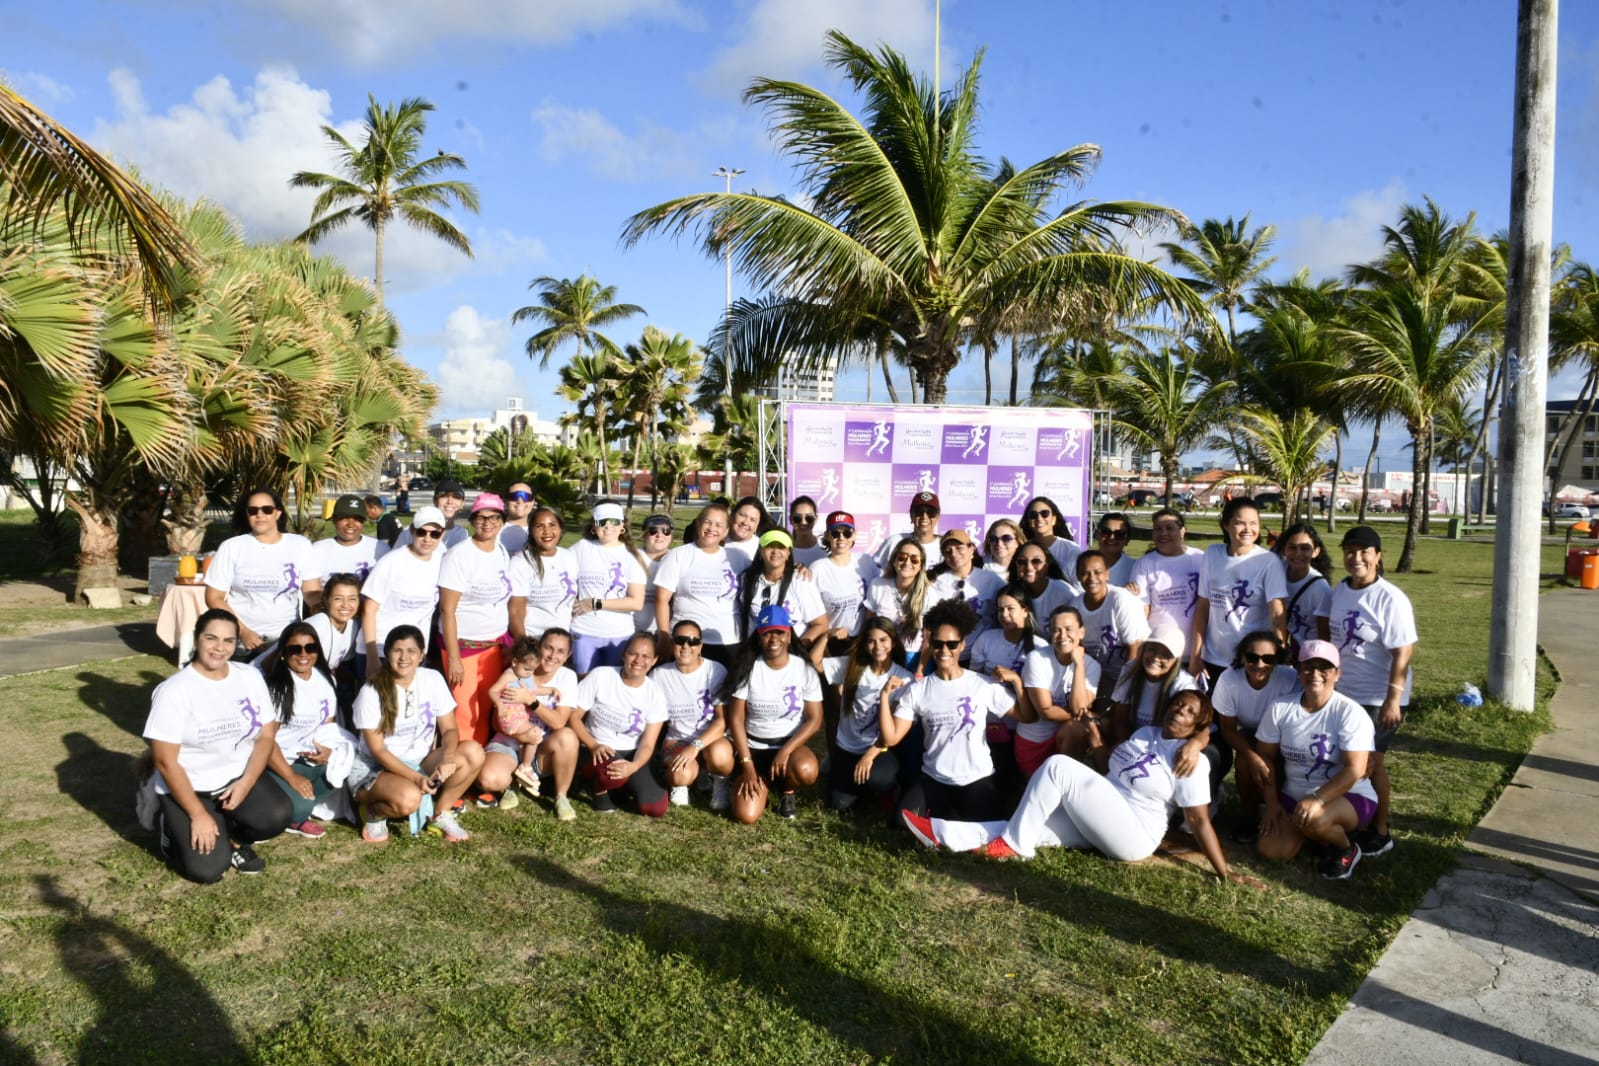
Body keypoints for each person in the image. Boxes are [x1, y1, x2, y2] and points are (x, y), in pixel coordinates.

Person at [902, 691, 1264, 889]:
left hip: (1134, 832)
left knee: (1058, 767)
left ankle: (1013, 846)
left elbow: (1199, 821)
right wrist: (1096, 742)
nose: (1178, 712)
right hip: (1105, 811)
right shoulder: (1144, 735)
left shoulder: (1191, 760)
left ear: (1198, 724)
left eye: (1188, 712)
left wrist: (1225, 873)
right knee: (1032, 827)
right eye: (1176, 705)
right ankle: (942, 833)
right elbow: (1109, 769)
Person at [143, 609, 293, 881]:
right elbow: (165, 761)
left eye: (228, 640)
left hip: (234, 780)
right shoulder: (174, 691)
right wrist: (198, 814)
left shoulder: (248, 676)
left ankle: (233, 838)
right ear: (197, 639)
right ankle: (172, 828)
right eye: (211, 638)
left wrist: (246, 782)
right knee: (208, 870)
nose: (219, 648)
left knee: (277, 816)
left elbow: (266, 736)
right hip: (190, 788)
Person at [1316, 525, 1416, 858]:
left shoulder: (1390, 598)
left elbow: (1403, 651)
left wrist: (1393, 698)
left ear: (1377, 556)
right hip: (1346, 692)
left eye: (1364, 552)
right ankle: (1355, 819)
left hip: (1377, 697)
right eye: (1350, 551)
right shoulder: (1339, 590)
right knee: (1348, 761)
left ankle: (1381, 830)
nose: (1356, 558)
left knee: (1372, 764)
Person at [879, 599, 1025, 822]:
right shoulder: (917, 690)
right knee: (903, 823)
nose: (944, 650)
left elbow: (1027, 716)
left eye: (952, 644)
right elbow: (891, 738)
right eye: (937, 644)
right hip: (935, 778)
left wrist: (1017, 682)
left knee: (987, 830)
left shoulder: (983, 684)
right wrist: (884, 697)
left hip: (977, 778)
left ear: (963, 645)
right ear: (930, 645)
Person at [1254, 640, 1379, 880]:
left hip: (1349, 795)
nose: (1315, 674)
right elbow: (1266, 756)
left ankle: (1346, 849)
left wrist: (1317, 798)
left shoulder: (1349, 712)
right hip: (1294, 795)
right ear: (1298, 670)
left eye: (1325, 668)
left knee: (1316, 819)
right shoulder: (1280, 707)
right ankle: (1318, 837)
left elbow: (1355, 770)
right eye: (1308, 667)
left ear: (1337, 674)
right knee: (1270, 851)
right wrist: (1271, 803)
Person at [350, 625, 486, 843]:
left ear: (422, 654)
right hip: (376, 767)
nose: (404, 657)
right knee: (409, 799)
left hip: (419, 760)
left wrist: (448, 757)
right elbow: (377, 750)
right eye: (397, 651)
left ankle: (440, 813)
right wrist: (417, 779)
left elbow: (450, 729)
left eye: (411, 651)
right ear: (387, 654)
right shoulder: (372, 691)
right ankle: (375, 811)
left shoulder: (432, 678)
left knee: (473, 752)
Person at [724, 605, 824, 823]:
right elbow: (736, 719)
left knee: (806, 770)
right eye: (767, 632)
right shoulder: (748, 667)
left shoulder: (803, 668)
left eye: (779, 632)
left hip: (789, 747)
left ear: (788, 636)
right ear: (759, 636)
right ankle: (755, 780)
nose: (773, 638)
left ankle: (787, 790)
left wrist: (786, 750)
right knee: (746, 816)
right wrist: (748, 765)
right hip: (754, 747)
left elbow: (815, 720)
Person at [477, 629, 581, 821]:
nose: (552, 656)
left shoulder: (567, 677)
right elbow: (496, 720)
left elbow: (558, 722)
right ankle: (512, 784)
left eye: (560, 651)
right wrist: (521, 737)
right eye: (548, 648)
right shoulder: (515, 671)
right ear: (539, 648)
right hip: (509, 742)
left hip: (541, 749)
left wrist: (530, 700)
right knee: (488, 779)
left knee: (567, 736)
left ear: (568, 656)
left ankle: (561, 797)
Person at [204, 488, 321, 657]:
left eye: (267, 509)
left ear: (278, 513)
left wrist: (328, 607)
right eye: (253, 510)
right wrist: (242, 631)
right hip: (241, 641)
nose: (260, 515)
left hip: (287, 638)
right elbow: (213, 597)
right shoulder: (232, 547)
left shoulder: (300, 545)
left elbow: (312, 593)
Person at [565, 633, 670, 817]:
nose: (638, 660)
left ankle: (623, 785)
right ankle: (597, 786)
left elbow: (647, 744)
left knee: (655, 808)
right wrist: (592, 745)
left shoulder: (656, 694)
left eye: (645, 656)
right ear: (623, 654)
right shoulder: (601, 675)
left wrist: (634, 766)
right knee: (610, 776)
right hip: (598, 747)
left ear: (654, 660)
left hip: (632, 751)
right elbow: (574, 716)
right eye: (633, 653)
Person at [437, 493, 514, 745]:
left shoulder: (501, 552)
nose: (487, 523)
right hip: (464, 648)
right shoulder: (459, 555)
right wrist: (455, 660)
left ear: (502, 521)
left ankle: (480, 764)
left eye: (494, 517)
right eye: (481, 518)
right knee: (465, 712)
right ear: (472, 521)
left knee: (487, 707)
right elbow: (447, 610)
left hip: (493, 646)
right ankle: (462, 768)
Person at [1212, 630, 1300, 842]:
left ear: (1277, 660)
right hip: (1250, 732)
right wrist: (1253, 757)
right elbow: (1228, 729)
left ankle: (1275, 809)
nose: (1259, 664)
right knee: (1244, 762)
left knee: (1276, 768)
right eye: (1252, 657)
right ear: (1242, 657)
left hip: (1282, 734)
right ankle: (1250, 816)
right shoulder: (1228, 680)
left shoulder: (1289, 679)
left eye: (1268, 658)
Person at [1189, 497, 1287, 685]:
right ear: (1226, 525)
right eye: (1240, 523)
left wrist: (1279, 655)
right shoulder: (1212, 554)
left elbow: (1277, 613)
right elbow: (1203, 607)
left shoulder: (1269, 562)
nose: (1248, 529)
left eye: (1254, 523)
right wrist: (1196, 656)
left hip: (1252, 661)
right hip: (1214, 659)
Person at [821, 617, 914, 812]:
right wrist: (826, 635)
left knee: (879, 779)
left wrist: (869, 756)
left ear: (893, 642)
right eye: (871, 641)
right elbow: (815, 662)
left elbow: (894, 732)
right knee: (838, 806)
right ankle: (857, 788)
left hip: (879, 748)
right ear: (864, 645)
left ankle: (884, 789)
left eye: (883, 640)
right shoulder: (852, 666)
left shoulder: (904, 678)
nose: (877, 646)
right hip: (847, 747)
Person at [261, 620, 341, 838]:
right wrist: (291, 777)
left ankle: (296, 800)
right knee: (301, 809)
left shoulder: (326, 679)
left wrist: (326, 750)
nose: (303, 654)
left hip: (308, 759)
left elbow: (328, 724)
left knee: (345, 770)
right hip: (278, 762)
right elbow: (265, 741)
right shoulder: (278, 687)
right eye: (295, 649)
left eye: (310, 647)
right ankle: (293, 808)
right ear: (283, 653)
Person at [651, 619, 733, 809]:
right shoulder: (659, 675)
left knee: (720, 755)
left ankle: (720, 784)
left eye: (693, 641)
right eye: (680, 640)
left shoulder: (715, 670)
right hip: (678, 739)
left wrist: (695, 746)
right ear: (672, 644)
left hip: (711, 740)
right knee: (681, 774)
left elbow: (722, 720)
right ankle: (683, 782)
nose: (686, 646)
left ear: (700, 646)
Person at [360, 505, 448, 678]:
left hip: (414, 653)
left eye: (435, 534)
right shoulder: (391, 562)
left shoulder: (442, 560)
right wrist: (372, 657)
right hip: (381, 650)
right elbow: (368, 609)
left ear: (442, 535)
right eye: (422, 532)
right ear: (412, 531)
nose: (427, 538)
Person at [654, 501, 745, 666]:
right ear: (698, 524)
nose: (712, 529)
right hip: (686, 642)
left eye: (719, 525)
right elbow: (661, 600)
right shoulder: (678, 555)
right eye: (708, 522)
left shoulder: (738, 558)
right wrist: (664, 636)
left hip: (727, 641)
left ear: (725, 532)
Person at [1016, 606, 1100, 777]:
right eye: (1056, 630)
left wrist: (1078, 664)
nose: (1062, 636)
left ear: (1081, 632)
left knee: (1077, 728)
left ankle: (1065, 784)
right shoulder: (1037, 658)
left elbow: (1078, 708)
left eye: (1069, 630)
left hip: (1066, 737)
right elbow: (1046, 711)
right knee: (1082, 723)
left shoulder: (1092, 666)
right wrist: (1086, 715)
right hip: (1035, 741)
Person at [568, 501, 648, 674]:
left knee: (613, 686)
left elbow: (636, 602)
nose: (608, 526)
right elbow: (562, 577)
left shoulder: (632, 556)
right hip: (583, 631)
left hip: (619, 634)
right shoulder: (579, 549)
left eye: (614, 521)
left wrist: (596, 603)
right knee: (584, 683)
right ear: (593, 526)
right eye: (602, 521)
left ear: (622, 526)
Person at [1102, 623, 1201, 748]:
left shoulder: (1184, 684)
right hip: (1133, 739)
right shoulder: (1130, 669)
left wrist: (1194, 744)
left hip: (1164, 746)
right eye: (1152, 649)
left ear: (1176, 659)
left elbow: (1193, 729)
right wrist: (1127, 746)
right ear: (1144, 648)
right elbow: (1120, 717)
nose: (1156, 658)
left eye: (1166, 655)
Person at [735, 529, 828, 661]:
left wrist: (795, 651)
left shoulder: (800, 580)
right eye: (769, 546)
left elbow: (821, 624)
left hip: (792, 657)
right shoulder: (747, 579)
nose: (775, 551)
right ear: (761, 551)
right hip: (756, 657)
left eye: (781, 547)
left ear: (789, 552)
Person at [1072, 549, 1150, 698]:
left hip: (1132, 675)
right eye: (1085, 573)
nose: (1091, 578)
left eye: (1097, 572)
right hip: (1098, 677)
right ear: (1077, 576)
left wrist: (1120, 693)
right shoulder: (1075, 606)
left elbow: (1135, 649)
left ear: (1107, 574)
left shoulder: (1121, 600)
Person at [810, 510, 882, 656]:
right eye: (835, 533)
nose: (841, 538)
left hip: (864, 641)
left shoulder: (865, 561)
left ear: (854, 535)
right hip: (833, 642)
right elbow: (811, 615)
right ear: (827, 536)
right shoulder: (818, 569)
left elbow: (883, 590)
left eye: (847, 533)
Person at [1131, 508, 1205, 650]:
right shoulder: (1144, 564)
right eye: (1158, 529)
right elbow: (1142, 611)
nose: (1163, 533)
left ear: (1183, 531)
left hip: (1195, 650)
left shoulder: (1200, 558)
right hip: (1159, 648)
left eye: (1169, 528)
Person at [508, 507, 578, 642]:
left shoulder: (570, 557)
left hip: (564, 641)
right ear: (531, 531)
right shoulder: (520, 562)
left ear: (561, 529)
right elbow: (516, 612)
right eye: (540, 526)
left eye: (552, 525)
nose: (547, 531)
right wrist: (526, 646)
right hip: (533, 640)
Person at [865, 535, 933, 663]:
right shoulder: (877, 584)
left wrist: (920, 670)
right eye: (902, 557)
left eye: (914, 559)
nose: (907, 563)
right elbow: (868, 624)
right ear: (894, 561)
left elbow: (929, 639)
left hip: (914, 657)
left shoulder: (929, 593)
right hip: (882, 654)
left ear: (920, 566)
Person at [929, 528, 1003, 637]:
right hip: (948, 649)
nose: (953, 554)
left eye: (959, 548)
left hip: (982, 650)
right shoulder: (936, 582)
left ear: (971, 549)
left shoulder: (992, 580)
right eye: (948, 551)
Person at [308, 572, 364, 710]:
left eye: (352, 599)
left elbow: (340, 668)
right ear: (326, 600)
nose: (346, 605)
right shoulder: (318, 624)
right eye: (338, 599)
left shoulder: (353, 625)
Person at [1274, 521, 1333, 651]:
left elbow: (1325, 638)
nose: (1298, 553)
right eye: (1292, 547)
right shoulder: (1277, 571)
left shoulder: (1321, 590)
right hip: (1285, 646)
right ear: (1284, 548)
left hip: (1311, 653)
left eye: (1305, 548)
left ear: (1316, 551)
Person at [312, 493, 387, 584]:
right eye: (345, 518)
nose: (351, 524)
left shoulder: (380, 549)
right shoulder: (317, 549)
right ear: (334, 519)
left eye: (357, 519)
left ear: (363, 522)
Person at [1008, 543, 1074, 637]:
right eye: (1022, 561)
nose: (1029, 567)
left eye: (1036, 561)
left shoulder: (1064, 593)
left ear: (1046, 566)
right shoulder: (1012, 593)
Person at [392, 480, 470, 551]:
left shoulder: (462, 534)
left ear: (462, 504)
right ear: (434, 501)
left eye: (456, 497)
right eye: (444, 496)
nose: (450, 501)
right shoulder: (411, 531)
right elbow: (395, 559)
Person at [1019, 495, 1081, 584]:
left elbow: (1078, 585)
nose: (1039, 518)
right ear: (1028, 521)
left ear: (1054, 519)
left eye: (1044, 513)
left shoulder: (1071, 549)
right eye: (1033, 515)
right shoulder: (1023, 549)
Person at [874, 491, 941, 570]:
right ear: (911, 515)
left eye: (931, 512)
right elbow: (873, 570)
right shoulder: (894, 542)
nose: (924, 516)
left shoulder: (946, 547)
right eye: (919, 511)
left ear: (937, 517)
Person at [635, 512, 676, 637]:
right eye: (653, 530)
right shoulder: (630, 557)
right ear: (644, 535)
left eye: (666, 530)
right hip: (630, 629)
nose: (659, 535)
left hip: (663, 631)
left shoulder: (677, 558)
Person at [724, 497, 774, 570]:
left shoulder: (761, 548)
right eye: (742, 515)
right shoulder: (717, 539)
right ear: (732, 514)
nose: (745, 522)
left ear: (757, 525)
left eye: (752, 520)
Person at [1094, 513, 1137, 587]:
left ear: (1127, 540)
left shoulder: (1135, 568)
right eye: (1106, 532)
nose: (1112, 537)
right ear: (1098, 534)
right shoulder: (1082, 563)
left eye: (1119, 534)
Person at [499, 481, 536, 556]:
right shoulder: (492, 532)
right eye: (514, 496)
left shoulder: (538, 534)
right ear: (505, 501)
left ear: (532, 502)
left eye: (526, 496)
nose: (520, 501)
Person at [788, 496, 827, 566]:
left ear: (816, 519)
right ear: (790, 520)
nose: (803, 522)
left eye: (809, 518)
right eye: (797, 518)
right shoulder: (784, 550)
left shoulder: (826, 547)